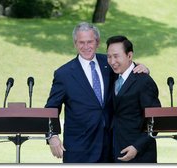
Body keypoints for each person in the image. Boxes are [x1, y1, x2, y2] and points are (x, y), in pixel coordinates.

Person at [45, 22, 149, 163]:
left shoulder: (109, 62)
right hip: (79, 150)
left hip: (110, 148)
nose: (86, 46)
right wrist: (52, 136)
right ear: (75, 43)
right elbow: (51, 108)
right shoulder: (63, 74)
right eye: (81, 42)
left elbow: (126, 69)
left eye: (90, 42)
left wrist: (142, 68)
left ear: (97, 42)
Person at [106, 35, 161, 163]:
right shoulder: (112, 76)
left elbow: (156, 120)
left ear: (129, 56)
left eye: (116, 56)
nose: (112, 61)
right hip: (115, 152)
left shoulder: (144, 81)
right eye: (109, 56)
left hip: (139, 156)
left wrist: (137, 147)